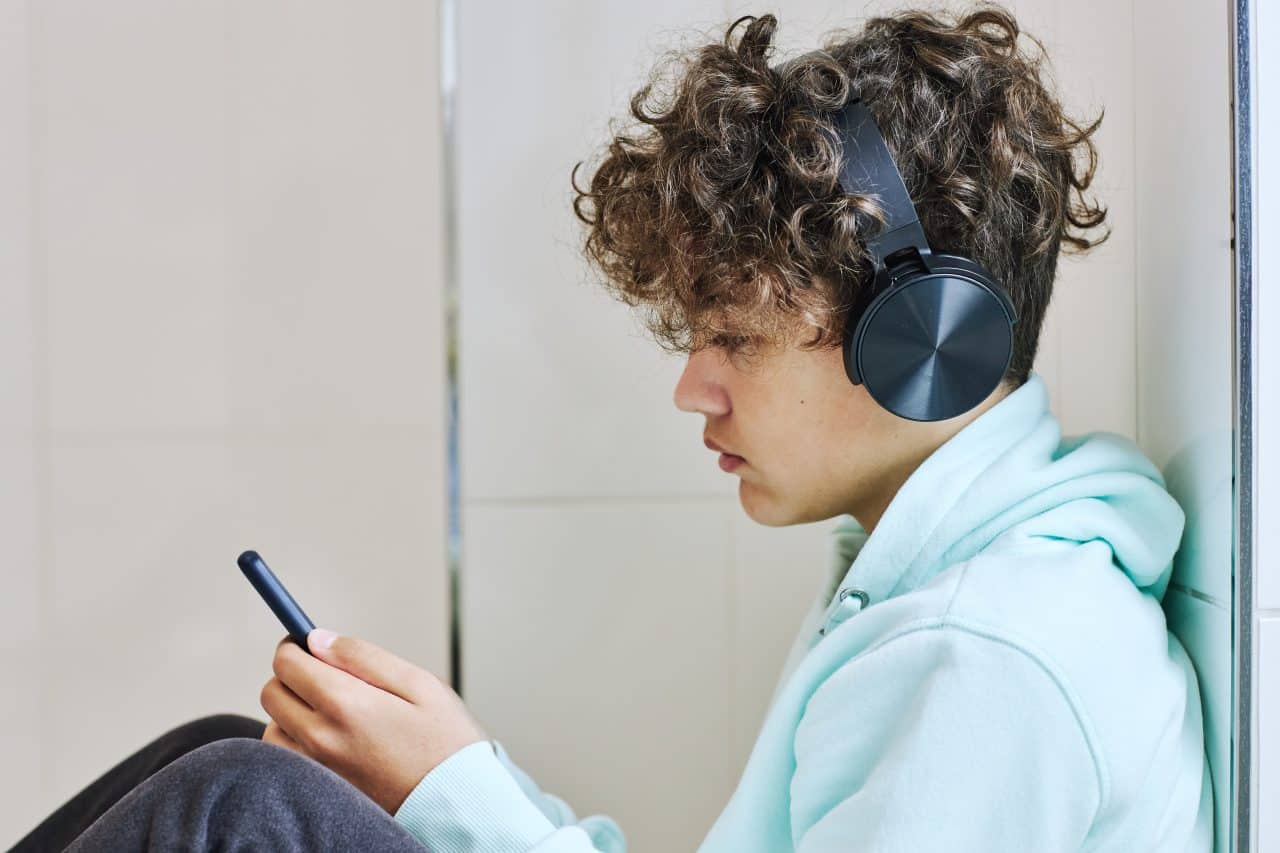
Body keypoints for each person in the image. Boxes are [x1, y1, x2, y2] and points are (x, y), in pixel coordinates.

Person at [9, 4, 1213, 851]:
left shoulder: (980, 659)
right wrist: (450, 781)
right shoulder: (946, 595)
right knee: (232, 754)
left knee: (240, 804)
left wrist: (454, 791)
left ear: (918, 336)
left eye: (734, 338)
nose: (693, 388)